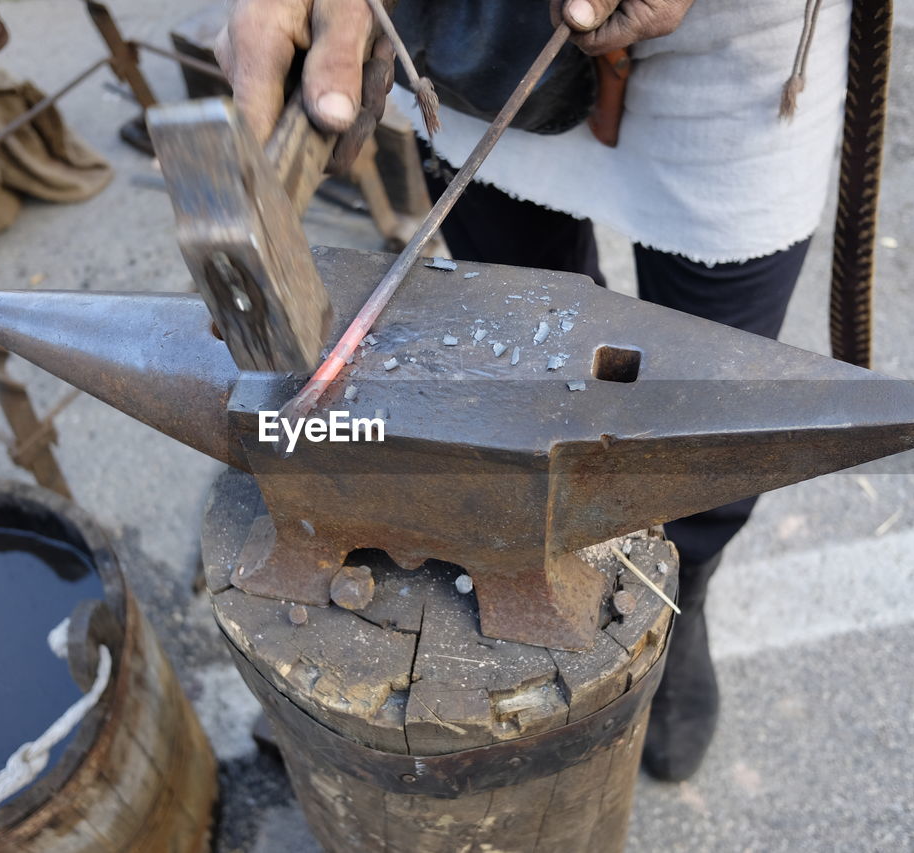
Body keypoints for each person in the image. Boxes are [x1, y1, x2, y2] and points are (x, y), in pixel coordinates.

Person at [215, 0, 849, 781]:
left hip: (736, 58)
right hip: (481, 40)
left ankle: (681, 580)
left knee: (708, 401)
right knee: (514, 324)